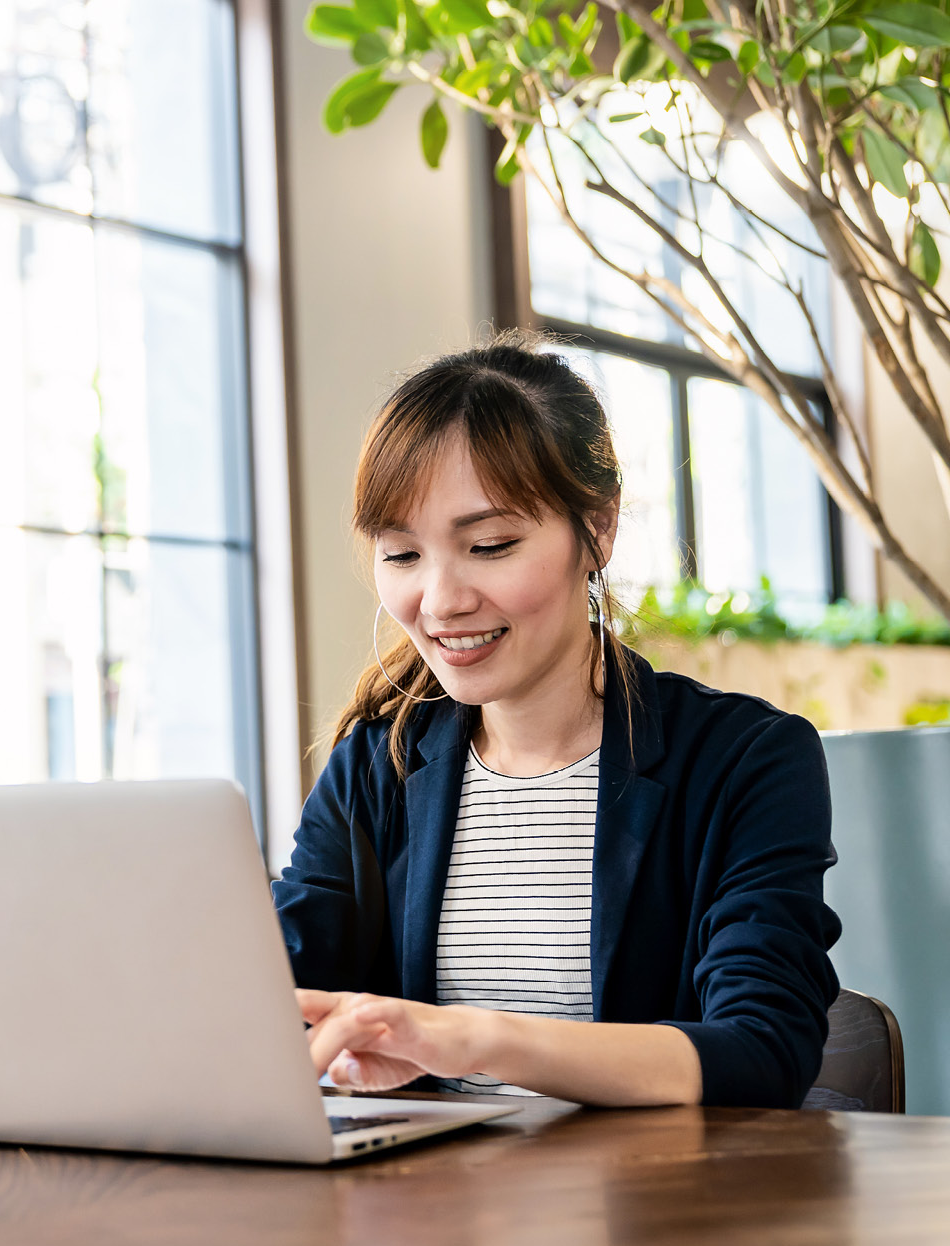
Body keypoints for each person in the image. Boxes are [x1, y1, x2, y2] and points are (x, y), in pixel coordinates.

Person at [275, 331, 840, 1108]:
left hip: (651, 1214)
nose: (440, 602)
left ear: (597, 529)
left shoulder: (745, 759)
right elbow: (272, 994)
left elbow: (762, 1048)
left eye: (490, 544)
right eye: (401, 555)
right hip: (429, 1213)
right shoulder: (380, 764)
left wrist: (472, 1037)